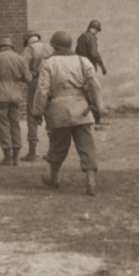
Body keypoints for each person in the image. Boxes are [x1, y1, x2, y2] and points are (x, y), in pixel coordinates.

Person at [31, 31, 102, 196]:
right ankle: (90, 181)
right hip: (82, 110)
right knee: (87, 146)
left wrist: (37, 111)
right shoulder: (82, 61)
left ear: (54, 45)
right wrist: (98, 106)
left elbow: (42, 90)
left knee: (57, 146)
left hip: (59, 110)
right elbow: (94, 84)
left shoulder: (48, 63)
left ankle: (54, 178)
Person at [0, 37, 31, 166]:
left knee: (3, 124)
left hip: (0, 95)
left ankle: (7, 157)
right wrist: (16, 78)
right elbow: (28, 78)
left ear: (0, 47)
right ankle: (16, 157)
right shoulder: (20, 58)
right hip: (16, 95)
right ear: (11, 47)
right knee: (15, 123)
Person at [20, 32, 53, 162]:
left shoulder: (29, 49)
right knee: (50, 116)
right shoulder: (49, 48)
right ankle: (52, 151)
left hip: (35, 83)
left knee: (32, 117)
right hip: (50, 83)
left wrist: (27, 79)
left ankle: (32, 153)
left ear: (27, 41)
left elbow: (22, 67)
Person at [75, 20, 107, 127]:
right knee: (95, 93)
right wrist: (102, 66)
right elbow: (94, 53)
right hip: (89, 69)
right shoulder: (91, 37)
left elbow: (77, 52)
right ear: (96, 29)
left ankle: (89, 117)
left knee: (86, 93)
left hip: (80, 69)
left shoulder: (81, 37)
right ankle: (97, 120)